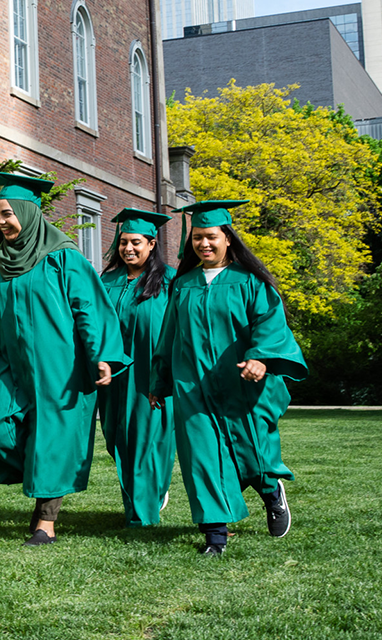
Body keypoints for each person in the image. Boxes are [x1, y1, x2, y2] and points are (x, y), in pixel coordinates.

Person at [0, 173, 130, 546]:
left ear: (28, 212)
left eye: (8, 214)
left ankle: (46, 522)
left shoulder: (63, 258)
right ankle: (41, 486)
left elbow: (88, 308)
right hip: (10, 363)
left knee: (51, 439)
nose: (2, 222)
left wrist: (101, 356)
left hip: (58, 366)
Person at [149, 200, 308, 556]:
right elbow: (169, 336)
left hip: (243, 384)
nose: (203, 244)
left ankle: (270, 491)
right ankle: (215, 537)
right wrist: (160, 381)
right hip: (194, 387)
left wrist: (260, 359)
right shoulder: (183, 285)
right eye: (197, 239)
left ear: (228, 239)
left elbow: (269, 325)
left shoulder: (250, 282)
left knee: (254, 453)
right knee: (202, 457)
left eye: (211, 237)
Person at [96, 208, 177, 527]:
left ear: (152, 243)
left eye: (136, 243)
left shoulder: (169, 280)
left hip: (150, 375)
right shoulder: (108, 279)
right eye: (123, 242)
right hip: (114, 375)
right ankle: (151, 492)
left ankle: (141, 518)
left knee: (144, 441)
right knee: (117, 440)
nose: (128, 248)